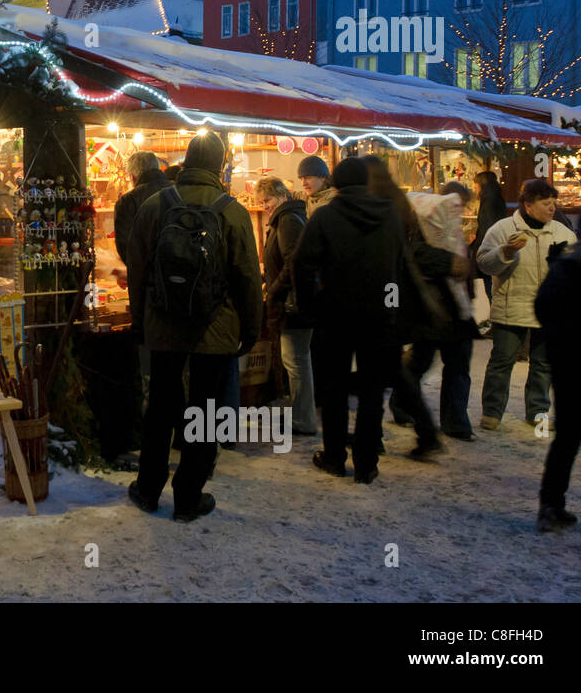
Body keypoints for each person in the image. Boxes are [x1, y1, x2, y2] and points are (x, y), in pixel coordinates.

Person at [125, 131, 262, 521]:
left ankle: (148, 490)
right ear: (220, 165)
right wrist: (250, 327)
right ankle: (188, 497)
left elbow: (138, 268)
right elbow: (248, 276)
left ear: (186, 160)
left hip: (163, 326)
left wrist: (141, 320)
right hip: (215, 330)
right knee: (205, 411)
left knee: (161, 408)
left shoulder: (155, 205)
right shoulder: (232, 211)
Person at [293, 157, 407, 483]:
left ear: (336, 184)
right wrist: (392, 309)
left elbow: (302, 263)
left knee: (335, 391)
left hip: (335, 315)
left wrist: (309, 306)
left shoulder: (326, 216)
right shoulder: (390, 215)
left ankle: (334, 457)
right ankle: (367, 463)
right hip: (379, 316)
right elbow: (398, 269)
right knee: (372, 392)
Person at [360, 156, 457, 460]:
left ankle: (400, 436)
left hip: (389, 296)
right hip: (404, 297)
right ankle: (418, 435)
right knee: (388, 369)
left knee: (380, 369)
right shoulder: (398, 203)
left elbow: (390, 255)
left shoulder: (378, 208)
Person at [476, 178, 577, 429]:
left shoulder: (562, 233)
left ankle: (538, 413)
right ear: (528, 206)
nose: (552, 208)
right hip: (512, 307)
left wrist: (563, 265)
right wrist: (506, 252)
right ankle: (492, 412)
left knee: (543, 365)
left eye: (554, 203)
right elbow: (483, 263)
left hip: (549, 311)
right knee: (502, 362)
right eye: (545, 203)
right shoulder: (502, 229)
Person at [402, 182, 480, 442]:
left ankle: (456, 422)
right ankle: (402, 406)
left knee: (456, 365)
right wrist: (449, 263)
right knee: (420, 363)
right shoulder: (422, 227)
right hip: (432, 310)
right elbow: (415, 255)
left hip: (455, 313)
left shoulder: (449, 230)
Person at [534, 206, 581, 532]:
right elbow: (545, 311)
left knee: (568, 437)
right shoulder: (566, 271)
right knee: (568, 437)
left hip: (575, 362)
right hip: (572, 365)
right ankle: (551, 505)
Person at [256, 176, 316, 435]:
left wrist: (274, 288)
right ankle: (301, 414)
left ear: (281, 196)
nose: (265, 205)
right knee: (297, 362)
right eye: (262, 202)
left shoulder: (288, 220)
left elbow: (293, 262)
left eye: (267, 200)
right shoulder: (286, 218)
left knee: (297, 362)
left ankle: (304, 420)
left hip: (294, 305)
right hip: (294, 302)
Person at [113, 151, 170, 415]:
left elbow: (128, 252)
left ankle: (155, 442)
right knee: (180, 372)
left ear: (132, 175)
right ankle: (188, 434)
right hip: (186, 297)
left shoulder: (129, 201)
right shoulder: (181, 193)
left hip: (147, 298)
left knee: (151, 375)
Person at [113, 151, 170, 261]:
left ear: (132, 176)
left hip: (144, 273)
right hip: (179, 271)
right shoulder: (178, 192)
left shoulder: (127, 202)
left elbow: (125, 248)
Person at [471, 171, 507, 302]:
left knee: (490, 286)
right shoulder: (494, 198)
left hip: (489, 249)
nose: (475, 188)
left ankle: (493, 313)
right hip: (491, 246)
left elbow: (489, 226)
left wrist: (480, 243)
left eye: (476, 185)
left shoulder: (490, 200)